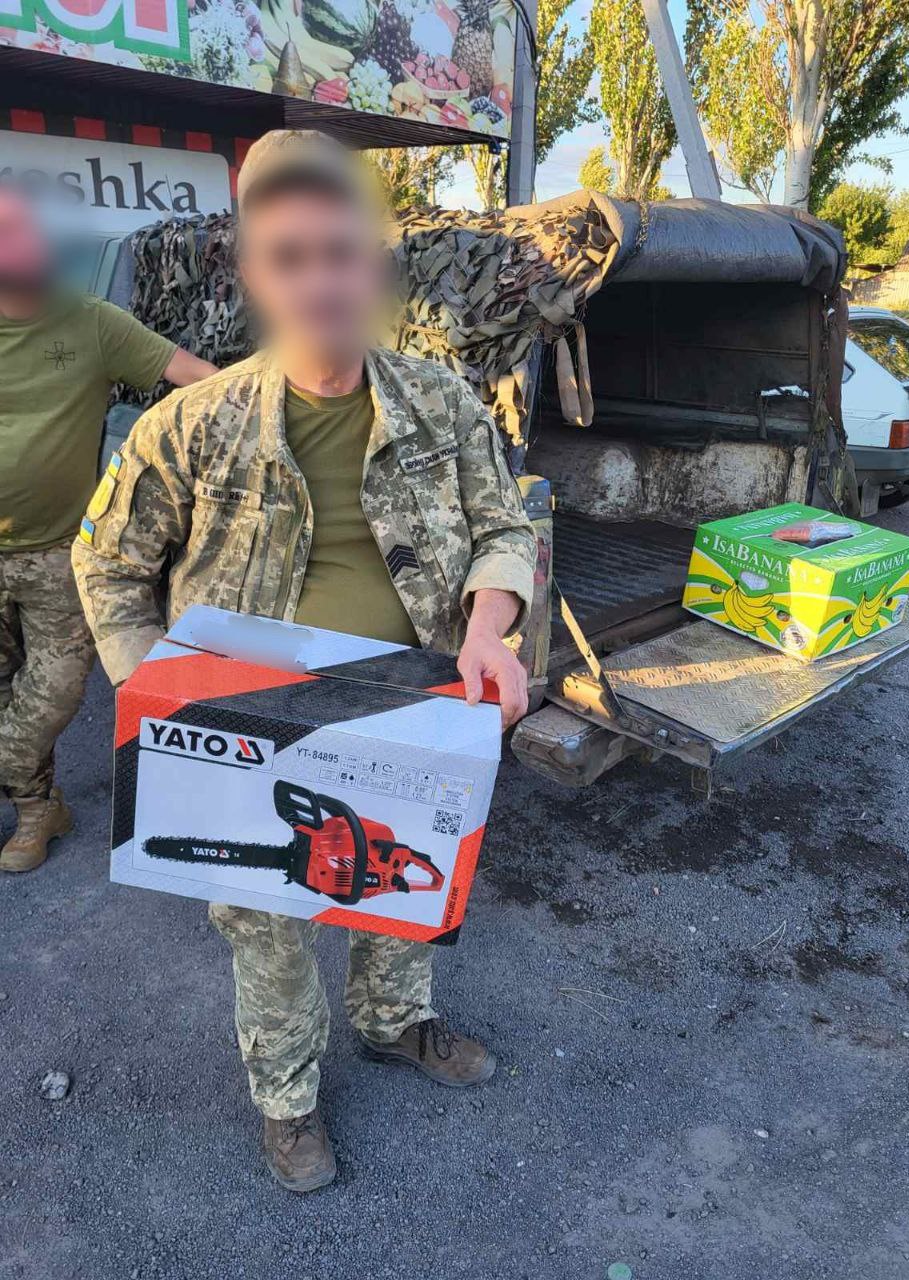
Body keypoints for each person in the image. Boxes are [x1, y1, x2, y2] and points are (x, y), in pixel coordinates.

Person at [72, 130, 536, 1192]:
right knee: (268, 922)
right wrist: (153, 690)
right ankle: (287, 1100)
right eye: (290, 256)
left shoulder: (442, 403)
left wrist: (488, 623)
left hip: (409, 711)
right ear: (256, 272)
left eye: (341, 252)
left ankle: (394, 1022)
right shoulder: (192, 425)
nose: (320, 281)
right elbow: (106, 562)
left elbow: (504, 526)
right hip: (252, 722)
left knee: (399, 879)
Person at [0, 187, 216, 874]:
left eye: (27, 229)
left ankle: (13, 771)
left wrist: (285, 397)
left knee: (53, 692)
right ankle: (37, 810)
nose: (28, 244)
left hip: (61, 557)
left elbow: (200, 380)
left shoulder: (90, 322)